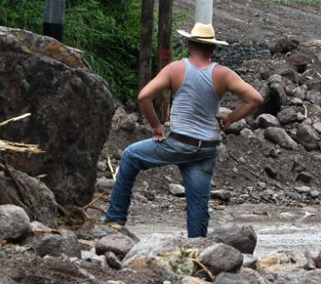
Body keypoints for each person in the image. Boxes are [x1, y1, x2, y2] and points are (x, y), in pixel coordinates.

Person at [102, 22, 262, 237]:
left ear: (189, 44)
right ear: (212, 49)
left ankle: (115, 220)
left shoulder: (176, 69)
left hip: (179, 143)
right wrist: (230, 118)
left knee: (130, 156)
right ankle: (197, 251)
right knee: (197, 203)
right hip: (207, 148)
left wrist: (156, 125)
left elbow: (144, 97)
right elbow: (255, 99)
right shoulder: (223, 74)